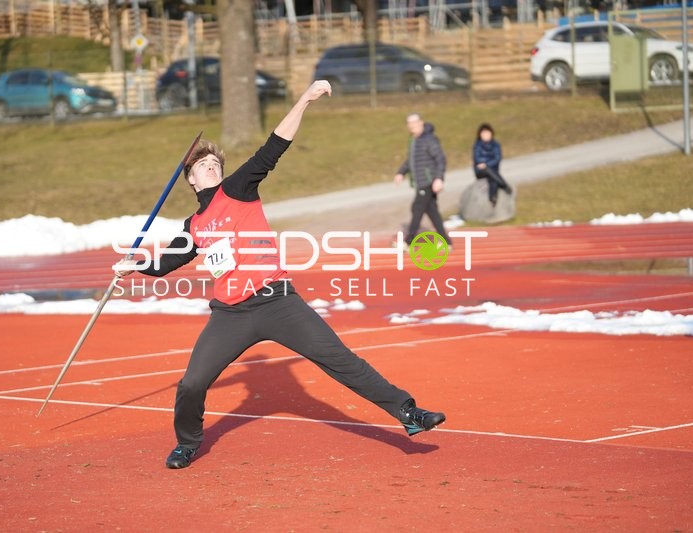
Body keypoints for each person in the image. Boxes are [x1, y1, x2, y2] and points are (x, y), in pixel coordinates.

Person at [117, 81, 446, 470]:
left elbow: (273, 146)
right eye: (203, 165)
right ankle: (187, 443)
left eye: (215, 163)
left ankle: (409, 414)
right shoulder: (194, 225)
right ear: (190, 179)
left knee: (339, 359)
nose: (212, 166)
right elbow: (167, 262)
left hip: (278, 302)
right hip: (231, 314)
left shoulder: (237, 189)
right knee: (192, 383)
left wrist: (304, 100)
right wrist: (135, 264)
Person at [393, 113, 452, 248]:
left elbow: (440, 159)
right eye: (410, 124)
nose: (412, 126)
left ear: (421, 123)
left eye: (415, 123)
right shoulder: (414, 140)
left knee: (417, 208)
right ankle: (446, 242)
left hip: (429, 181)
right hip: (421, 182)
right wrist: (401, 173)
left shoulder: (429, 139)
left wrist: (439, 178)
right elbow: (411, 161)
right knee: (432, 212)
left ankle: (409, 241)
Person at [472, 123, 512, 206]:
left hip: (492, 169)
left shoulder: (496, 145)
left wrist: (486, 164)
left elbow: (497, 158)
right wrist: (485, 165)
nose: (485, 135)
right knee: (489, 172)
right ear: (480, 135)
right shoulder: (477, 145)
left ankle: (493, 198)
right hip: (480, 171)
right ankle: (504, 185)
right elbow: (477, 159)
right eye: (483, 133)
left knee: (492, 177)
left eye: (487, 133)